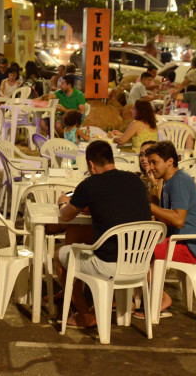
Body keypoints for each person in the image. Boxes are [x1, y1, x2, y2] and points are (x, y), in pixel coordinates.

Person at [54, 140, 151, 328]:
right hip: (140, 262)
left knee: (60, 255)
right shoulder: (136, 181)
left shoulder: (90, 184)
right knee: (82, 238)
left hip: (109, 265)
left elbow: (66, 216)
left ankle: (84, 315)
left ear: (91, 164)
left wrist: (62, 202)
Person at [145, 141, 196, 313]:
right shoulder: (167, 181)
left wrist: (148, 206)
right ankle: (142, 299)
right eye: (149, 163)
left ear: (170, 162)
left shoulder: (179, 182)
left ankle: (161, 298)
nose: (150, 167)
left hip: (188, 247)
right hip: (176, 240)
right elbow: (159, 214)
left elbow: (178, 220)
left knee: (140, 253)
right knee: (136, 246)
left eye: (154, 162)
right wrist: (153, 185)